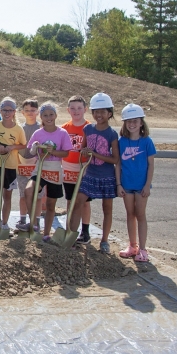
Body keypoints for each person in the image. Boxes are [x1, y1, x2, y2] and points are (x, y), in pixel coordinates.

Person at [67, 93, 120, 253]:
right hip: (90, 173)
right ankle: (71, 236)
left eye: (103, 112)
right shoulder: (88, 129)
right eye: (96, 111)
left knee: (107, 208)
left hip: (106, 176)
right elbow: (83, 151)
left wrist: (95, 154)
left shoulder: (112, 134)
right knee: (78, 202)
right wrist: (84, 153)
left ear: (109, 113)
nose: (99, 115)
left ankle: (104, 241)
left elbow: (115, 159)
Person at [22, 102, 72, 241]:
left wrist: (53, 151)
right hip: (40, 168)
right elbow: (31, 150)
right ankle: (33, 222)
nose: (48, 117)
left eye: (51, 114)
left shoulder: (62, 133)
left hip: (55, 170)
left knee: (50, 205)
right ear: (41, 116)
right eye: (45, 115)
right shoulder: (38, 133)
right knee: (28, 190)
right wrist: (36, 147)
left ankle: (46, 234)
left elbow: (66, 153)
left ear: (56, 115)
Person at [116, 104, 155, 263]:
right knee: (130, 214)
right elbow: (117, 164)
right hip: (126, 185)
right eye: (128, 121)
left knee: (140, 214)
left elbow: (151, 164)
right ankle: (132, 246)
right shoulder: (122, 142)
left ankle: (143, 249)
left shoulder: (147, 142)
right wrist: (119, 184)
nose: (132, 124)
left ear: (141, 122)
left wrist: (147, 185)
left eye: (135, 121)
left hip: (141, 186)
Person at [0, 97, 26, 232]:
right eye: (4, 110)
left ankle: (5, 222)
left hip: (11, 165)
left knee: (7, 194)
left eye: (10, 110)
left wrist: (12, 147)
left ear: (14, 112)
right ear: (0, 111)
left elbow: (23, 145)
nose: (7, 113)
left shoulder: (18, 129)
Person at [61, 95, 91, 244]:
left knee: (84, 201)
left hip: (84, 168)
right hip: (67, 167)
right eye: (72, 108)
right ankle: (70, 229)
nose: (76, 111)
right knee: (70, 199)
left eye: (79, 108)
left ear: (85, 109)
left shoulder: (90, 128)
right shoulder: (64, 128)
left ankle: (85, 232)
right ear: (68, 110)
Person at [16, 98, 44, 230]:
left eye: (33, 110)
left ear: (37, 112)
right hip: (21, 165)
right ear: (22, 112)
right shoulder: (20, 128)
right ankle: (22, 219)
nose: (30, 113)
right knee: (23, 194)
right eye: (27, 110)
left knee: (37, 196)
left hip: (37, 166)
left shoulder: (41, 128)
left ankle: (36, 221)